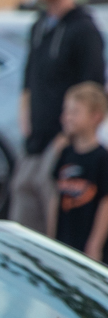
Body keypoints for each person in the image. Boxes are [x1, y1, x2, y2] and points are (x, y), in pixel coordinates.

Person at [11, 0, 106, 233]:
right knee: (22, 229)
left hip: (61, 148)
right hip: (33, 147)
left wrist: (65, 141)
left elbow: (93, 91)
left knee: (55, 234)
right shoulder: (39, 26)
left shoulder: (83, 30)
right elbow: (28, 84)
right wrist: (27, 127)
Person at [48, 82, 108, 261]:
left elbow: (105, 203)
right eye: (66, 111)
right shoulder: (65, 153)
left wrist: (95, 244)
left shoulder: (102, 158)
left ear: (95, 117)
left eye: (75, 112)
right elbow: (55, 195)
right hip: (64, 238)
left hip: (87, 242)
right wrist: (50, 236)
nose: (67, 117)